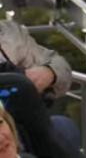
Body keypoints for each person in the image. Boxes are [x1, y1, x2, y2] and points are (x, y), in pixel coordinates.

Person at [0, 19, 81, 158]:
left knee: (64, 128)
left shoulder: (8, 34)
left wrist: (49, 73)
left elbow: (61, 66)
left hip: (24, 125)